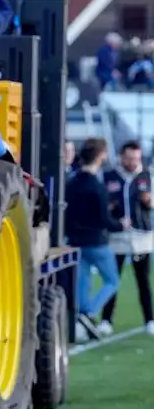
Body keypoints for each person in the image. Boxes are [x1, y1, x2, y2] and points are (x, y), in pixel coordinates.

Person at [65, 137, 127, 340]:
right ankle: (89, 312)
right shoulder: (97, 186)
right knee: (112, 280)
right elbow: (103, 219)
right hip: (96, 241)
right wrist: (121, 225)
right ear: (101, 156)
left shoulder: (72, 183)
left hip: (75, 240)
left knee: (83, 282)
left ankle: (83, 317)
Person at [102, 141, 154, 334]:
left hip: (142, 237)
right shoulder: (109, 176)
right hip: (117, 237)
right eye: (129, 158)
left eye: (136, 158)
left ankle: (149, 320)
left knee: (143, 281)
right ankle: (106, 320)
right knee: (112, 279)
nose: (133, 162)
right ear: (122, 157)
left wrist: (148, 202)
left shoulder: (147, 176)